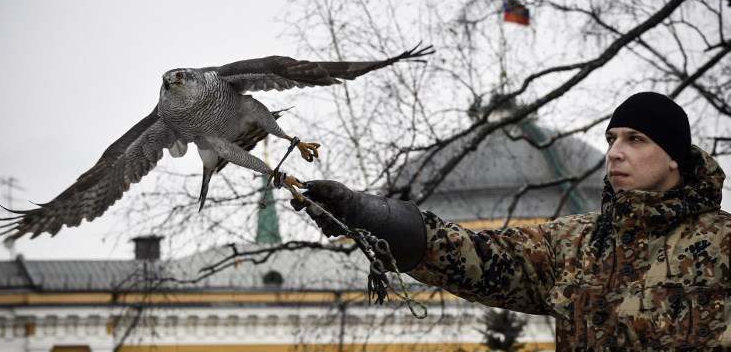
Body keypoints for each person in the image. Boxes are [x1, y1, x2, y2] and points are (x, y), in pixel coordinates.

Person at [292, 92, 730, 350]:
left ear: (674, 157)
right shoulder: (575, 243)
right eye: (612, 139)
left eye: (636, 140)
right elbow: (480, 257)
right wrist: (369, 216)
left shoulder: (722, 242)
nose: (615, 152)